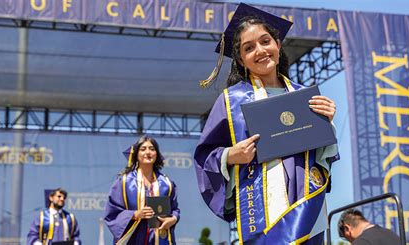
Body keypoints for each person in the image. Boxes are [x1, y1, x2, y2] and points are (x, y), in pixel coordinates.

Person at [194, 3, 340, 244]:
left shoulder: (305, 97)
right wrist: (230, 155)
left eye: (265, 41)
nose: (260, 51)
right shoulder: (231, 101)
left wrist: (328, 122)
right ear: (240, 59)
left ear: (278, 44)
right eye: (248, 48)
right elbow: (205, 155)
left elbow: (324, 157)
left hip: (305, 205)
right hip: (261, 205)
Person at [104, 136, 180, 244]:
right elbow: (112, 213)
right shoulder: (124, 182)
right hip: (133, 239)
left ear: (157, 154)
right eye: (143, 149)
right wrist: (135, 214)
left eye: (152, 149)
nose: (148, 152)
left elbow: (175, 209)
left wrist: (173, 219)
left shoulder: (166, 183)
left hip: (158, 238)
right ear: (136, 154)